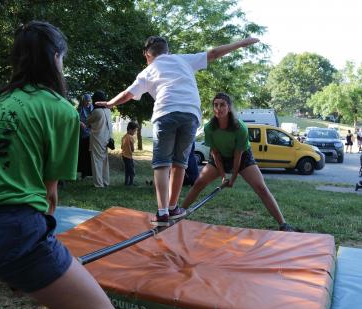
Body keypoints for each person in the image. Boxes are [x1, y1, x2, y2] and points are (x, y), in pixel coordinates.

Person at [0, 21, 113, 309]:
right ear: (56, 57)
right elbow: (50, 194)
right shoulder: (60, 109)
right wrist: (34, 255)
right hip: (14, 234)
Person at [96, 35, 259, 226]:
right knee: (179, 163)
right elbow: (213, 53)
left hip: (166, 113)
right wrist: (242, 43)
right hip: (190, 115)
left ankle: (162, 212)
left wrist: (109, 103)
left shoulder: (148, 70)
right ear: (168, 51)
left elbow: (128, 94)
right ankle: (173, 207)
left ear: (147, 54)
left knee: (162, 163)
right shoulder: (182, 59)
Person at [180, 93, 297, 232]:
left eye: (222, 104)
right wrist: (223, 175)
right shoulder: (209, 127)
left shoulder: (240, 128)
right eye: (215, 105)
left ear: (229, 107)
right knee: (199, 183)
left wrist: (233, 177)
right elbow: (215, 153)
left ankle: (283, 224)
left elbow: (238, 155)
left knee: (261, 187)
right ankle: (179, 212)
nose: (218, 108)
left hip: (242, 157)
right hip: (220, 157)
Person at [87, 91, 113, 188]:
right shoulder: (108, 110)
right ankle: (106, 181)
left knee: (96, 161)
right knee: (105, 161)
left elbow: (88, 121)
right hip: (107, 138)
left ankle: (98, 184)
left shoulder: (96, 112)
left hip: (98, 138)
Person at [77, 94, 93, 179]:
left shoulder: (93, 109)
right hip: (81, 135)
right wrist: (80, 123)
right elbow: (75, 118)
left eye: (89, 101)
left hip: (90, 135)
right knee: (81, 154)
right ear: (83, 101)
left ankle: (87, 173)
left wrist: (92, 124)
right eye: (86, 101)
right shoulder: (79, 109)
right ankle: (81, 172)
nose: (88, 103)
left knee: (88, 155)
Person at [121, 121, 139, 186]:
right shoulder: (131, 137)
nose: (135, 133)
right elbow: (132, 149)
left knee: (127, 170)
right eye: (134, 131)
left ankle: (126, 182)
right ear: (130, 130)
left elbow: (121, 147)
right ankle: (131, 183)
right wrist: (131, 149)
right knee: (131, 170)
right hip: (128, 156)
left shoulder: (124, 137)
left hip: (124, 156)